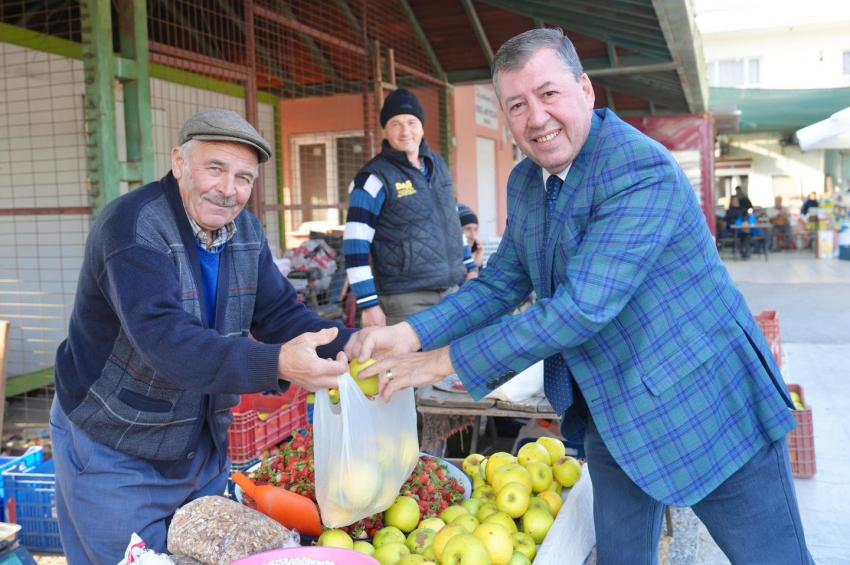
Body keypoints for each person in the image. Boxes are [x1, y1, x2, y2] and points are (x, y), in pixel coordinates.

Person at [347, 28, 812, 564]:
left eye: (549, 94)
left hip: (705, 405)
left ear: (585, 91)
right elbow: (501, 283)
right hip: (610, 412)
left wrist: (437, 362)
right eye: (517, 105)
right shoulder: (526, 182)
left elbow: (580, 309)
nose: (536, 118)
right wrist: (404, 333)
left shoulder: (639, 169)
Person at [51, 110, 354, 564]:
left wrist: (350, 344)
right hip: (116, 448)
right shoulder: (133, 228)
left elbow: (277, 312)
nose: (229, 189)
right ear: (179, 162)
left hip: (200, 444)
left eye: (244, 177)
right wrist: (275, 364)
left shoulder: (245, 231)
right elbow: (165, 340)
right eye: (215, 168)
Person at [343, 89, 476, 327]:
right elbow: (355, 244)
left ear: (422, 127)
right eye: (396, 123)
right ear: (384, 130)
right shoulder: (373, 178)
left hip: (452, 294)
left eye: (411, 122)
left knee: (451, 364)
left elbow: (451, 220)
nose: (405, 131)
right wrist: (369, 305)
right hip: (405, 302)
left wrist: (471, 268)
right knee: (410, 365)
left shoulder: (438, 165)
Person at [458, 203, 484, 268]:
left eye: (475, 229)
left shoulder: (472, 256)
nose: (473, 236)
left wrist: (477, 264)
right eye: (468, 229)